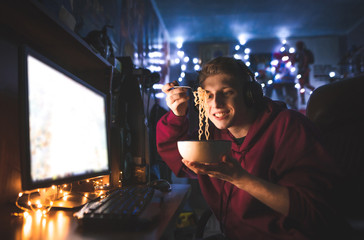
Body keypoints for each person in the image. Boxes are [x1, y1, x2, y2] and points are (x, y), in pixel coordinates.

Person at [156, 57, 351, 240]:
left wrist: (239, 178)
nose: (216, 103)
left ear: (250, 94)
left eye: (227, 92)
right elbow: (178, 159)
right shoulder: (213, 138)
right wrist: (177, 115)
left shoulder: (290, 127)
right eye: (208, 95)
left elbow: (315, 210)